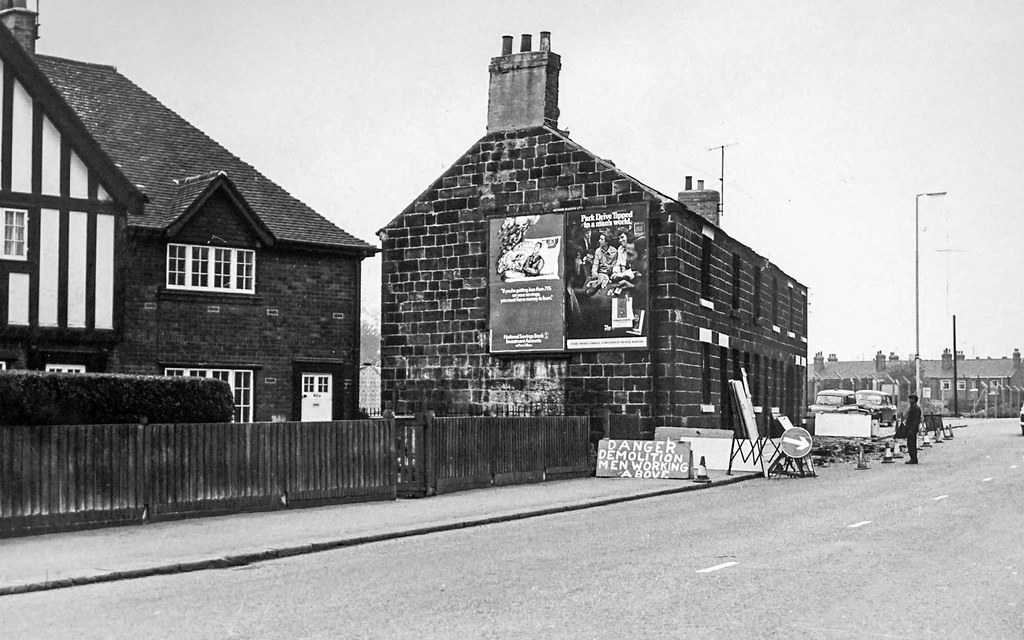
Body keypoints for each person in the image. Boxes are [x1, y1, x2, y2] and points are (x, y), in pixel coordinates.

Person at [904, 394, 922, 464]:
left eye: (911, 399)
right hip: (910, 428)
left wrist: (912, 429)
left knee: (911, 444)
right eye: (910, 399)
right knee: (910, 443)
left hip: (912, 428)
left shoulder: (916, 408)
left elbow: (916, 420)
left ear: (915, 400)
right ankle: (913, 458)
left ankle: (913, 459)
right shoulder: (912, 407)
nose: (910, 400)